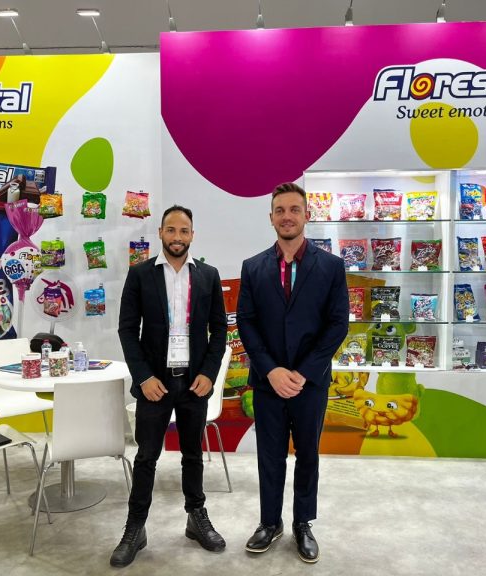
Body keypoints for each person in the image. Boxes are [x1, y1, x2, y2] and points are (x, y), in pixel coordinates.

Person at [237, 182, 349, 564]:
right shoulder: (253, 267)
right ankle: (270, 523)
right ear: (270, 217)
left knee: (308, 455)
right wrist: (270, 371)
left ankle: (303, 523)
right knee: (269, 456)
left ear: (306, 215)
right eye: (280, 210)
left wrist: (303, 372)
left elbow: (338, 324)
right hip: (267, 382)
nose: (287, 216)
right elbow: (247, 323)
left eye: (294, 209)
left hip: (310, 382)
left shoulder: (331, 266)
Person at [112, 205, 228, 567]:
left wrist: (209, 373)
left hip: (194, 384)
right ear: (161, 232)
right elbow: (127, 330)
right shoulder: (140, 274)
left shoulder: (208, 276)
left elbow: (219, 330)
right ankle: (135, 527)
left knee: (193, 454)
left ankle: (196, 517)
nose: (178, 237)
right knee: (146, 456)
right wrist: (143, 377)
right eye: (171, 230)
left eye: (184, 231)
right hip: (155, 384)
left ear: (192, 235)